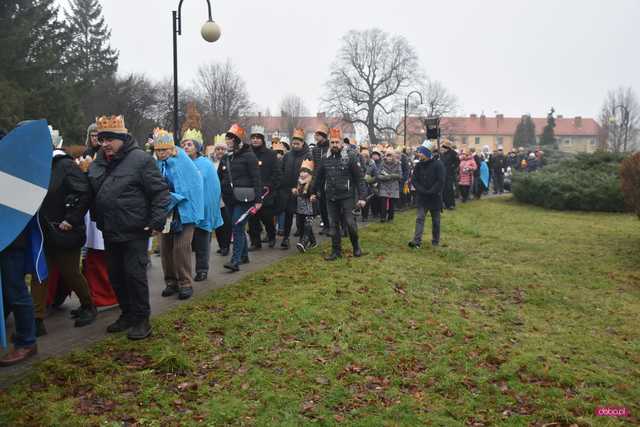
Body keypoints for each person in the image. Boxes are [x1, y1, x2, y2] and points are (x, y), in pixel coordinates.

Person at [88, 115, 170, 340]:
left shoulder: (141, 160)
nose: (105, 144)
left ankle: (142, 319)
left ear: (122, 138)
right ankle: (127, 314)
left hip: (135, 230)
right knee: (116, 276)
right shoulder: (99, 161)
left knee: (135, 275)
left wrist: (156, 222)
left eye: (109, 139)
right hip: (109, 229)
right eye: (102, 139)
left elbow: (160, 193)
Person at [31, 142, 96, 333]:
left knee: (70, 272)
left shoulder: (64, 165)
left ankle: (88, 305)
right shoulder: (36, 166)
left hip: (64, 230)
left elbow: (84, 191)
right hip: (42, 230)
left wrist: (71, 219)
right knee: (39, 273)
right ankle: (36, 319)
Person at [154, 129, 204, 300]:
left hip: (185, 211)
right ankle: (171, 281)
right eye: (157, 150)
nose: (160, 154)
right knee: (165, 248)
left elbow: (192, 186)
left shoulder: (183, 162)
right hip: (166, 212)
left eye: (164, 150)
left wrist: (172, 196)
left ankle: (185, 283)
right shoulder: (157, 165)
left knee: (181, 248)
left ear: (171, 148)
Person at [310, 128, 366, 261]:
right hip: (331, 196)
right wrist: (313, 192)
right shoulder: (325, 159)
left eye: (337, 142)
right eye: (332, 142)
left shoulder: (350, 157)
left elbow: (359, 178)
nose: (334, 145)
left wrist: (362, 197)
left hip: (347, 196)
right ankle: (336, 251)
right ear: (330, 143)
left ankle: (356, 247)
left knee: (350, 223)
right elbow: (318, 178)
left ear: (341, 143)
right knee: (333, 225)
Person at [218, 124, 262, 272]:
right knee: (238, 226)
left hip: (245, 199)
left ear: (237, 140)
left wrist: (258, 200)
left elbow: (257, 178)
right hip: (229, 198)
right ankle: (244, 256)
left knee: (237, 226)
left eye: (230, 139)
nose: (228, 141)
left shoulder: (249, 156)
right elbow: (220, 177)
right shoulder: (225, 158)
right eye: (227, 139)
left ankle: (235, 261)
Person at [181, 129, 223, 283]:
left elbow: (213, 188)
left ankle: (202, 269)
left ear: (197, 147)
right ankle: (182, 272)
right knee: (184, 244)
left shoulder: (205, 164)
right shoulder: (181, 162)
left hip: (202, 209)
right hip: (185, 209)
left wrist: (207, 208)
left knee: (202, 241)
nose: (186, 147)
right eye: (184, 144)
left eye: (189, 144)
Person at [248, 125, 281, 251]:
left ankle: (271, 237)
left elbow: (277, 173)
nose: (255, 140)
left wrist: (269, 186)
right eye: (253, 138)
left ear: (262, 139)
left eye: (258, 138)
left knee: (267, 218)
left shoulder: (271, 154)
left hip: (266, 193)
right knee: (252, 220)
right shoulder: (247, 154)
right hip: (251, 193)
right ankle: (255, 242)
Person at [409, 144, 445, 248]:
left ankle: (435, 241)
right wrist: (422, 190)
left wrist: (431, 191)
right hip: (422, 197)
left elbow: (441, 180)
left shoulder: (438, 165)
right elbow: (414, 179)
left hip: (435, 197)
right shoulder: (418, 166)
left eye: (421, 152)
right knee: (419, 219)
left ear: (426, 153)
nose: (419, 154)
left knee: (436, 221)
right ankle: (416, 241)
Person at [280, 128, 311, 249]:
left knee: (301, 216)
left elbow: (309, 173)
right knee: (288, 214)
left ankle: (303, 239)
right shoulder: (287, 156)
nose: (295, 145)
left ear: (302, 143)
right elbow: (281, 171)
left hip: (302, 190)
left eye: (298, 143)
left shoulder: (308, 156)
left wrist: (302, 187)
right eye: (293, 143)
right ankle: (286, 238)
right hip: (288, 190)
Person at [211, 137, 231, 256]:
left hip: (226, 197)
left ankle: (226, 245)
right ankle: (221, 244)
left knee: (226, 223)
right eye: (218, 149)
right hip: (215, 197)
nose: (220, 151)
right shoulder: (210, 163)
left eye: (222, 149)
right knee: (217, 223)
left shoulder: (229, 162)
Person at [293, 159, 318, 252]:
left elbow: (316, 193)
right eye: (301, 172)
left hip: (310, 209)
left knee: (307, 226)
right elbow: (298, 194)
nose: (302, 174)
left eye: (305, 172)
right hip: (300, 209)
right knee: (300, 225)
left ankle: (303, 243)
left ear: (310, 173)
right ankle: (313, 242)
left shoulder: (312, 183)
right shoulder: (299, 182)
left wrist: (313, 195)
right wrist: (295, 191)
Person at [311, 124, 331, 235]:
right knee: (322, 204)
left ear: (323, 136)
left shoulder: (330, 147)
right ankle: (326, 225)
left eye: (317, 135)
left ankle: (334, 226)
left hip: (329, 177)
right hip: (319, 177)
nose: (315, 137)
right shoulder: (315, 149)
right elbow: (314, 164)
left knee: (330, 204)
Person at [376, 148, 402, 222]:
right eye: (388, 156)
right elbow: (378, 174)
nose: (389, 157)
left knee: (391, 203)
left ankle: (391, 218)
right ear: (385, 156)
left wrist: (391, 176)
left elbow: (400, 175)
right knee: (383, 202)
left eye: (390, 156)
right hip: (384, 184)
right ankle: (383, 217)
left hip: (393, 185)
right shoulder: (382, 163)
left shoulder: (398, 163)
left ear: (393, 156)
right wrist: (384, 177)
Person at [440, 141, 460, 209]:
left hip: (450, 174)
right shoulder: (443, 154)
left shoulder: (453, 153)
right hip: (443, 173)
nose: (443, 149)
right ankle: (446, 203)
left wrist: (453, 167)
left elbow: (457, 161)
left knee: (450, 189)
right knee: (444, 189)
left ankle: (451, 204)